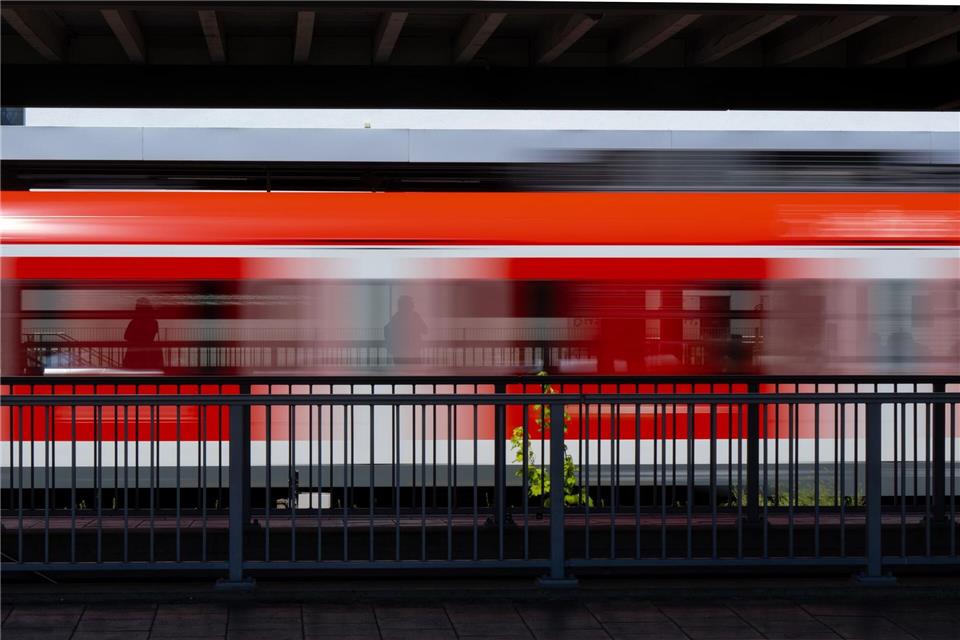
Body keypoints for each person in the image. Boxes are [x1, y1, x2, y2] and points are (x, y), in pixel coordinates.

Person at [123, 297, 164, 370]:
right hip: (149, 355)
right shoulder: (154, 322)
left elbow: (126, 336)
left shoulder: (134, 322)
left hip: (135, 354)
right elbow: (152, 335)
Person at [384, 295, 427, 365]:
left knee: (400, 372)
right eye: (411, 304)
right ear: (409, 305)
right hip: (413, 352)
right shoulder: (415, 316)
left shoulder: (396, 317)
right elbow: (425, 330)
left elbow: (386, 331)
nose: (413, 305)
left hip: (399, 353)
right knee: (416, 371)